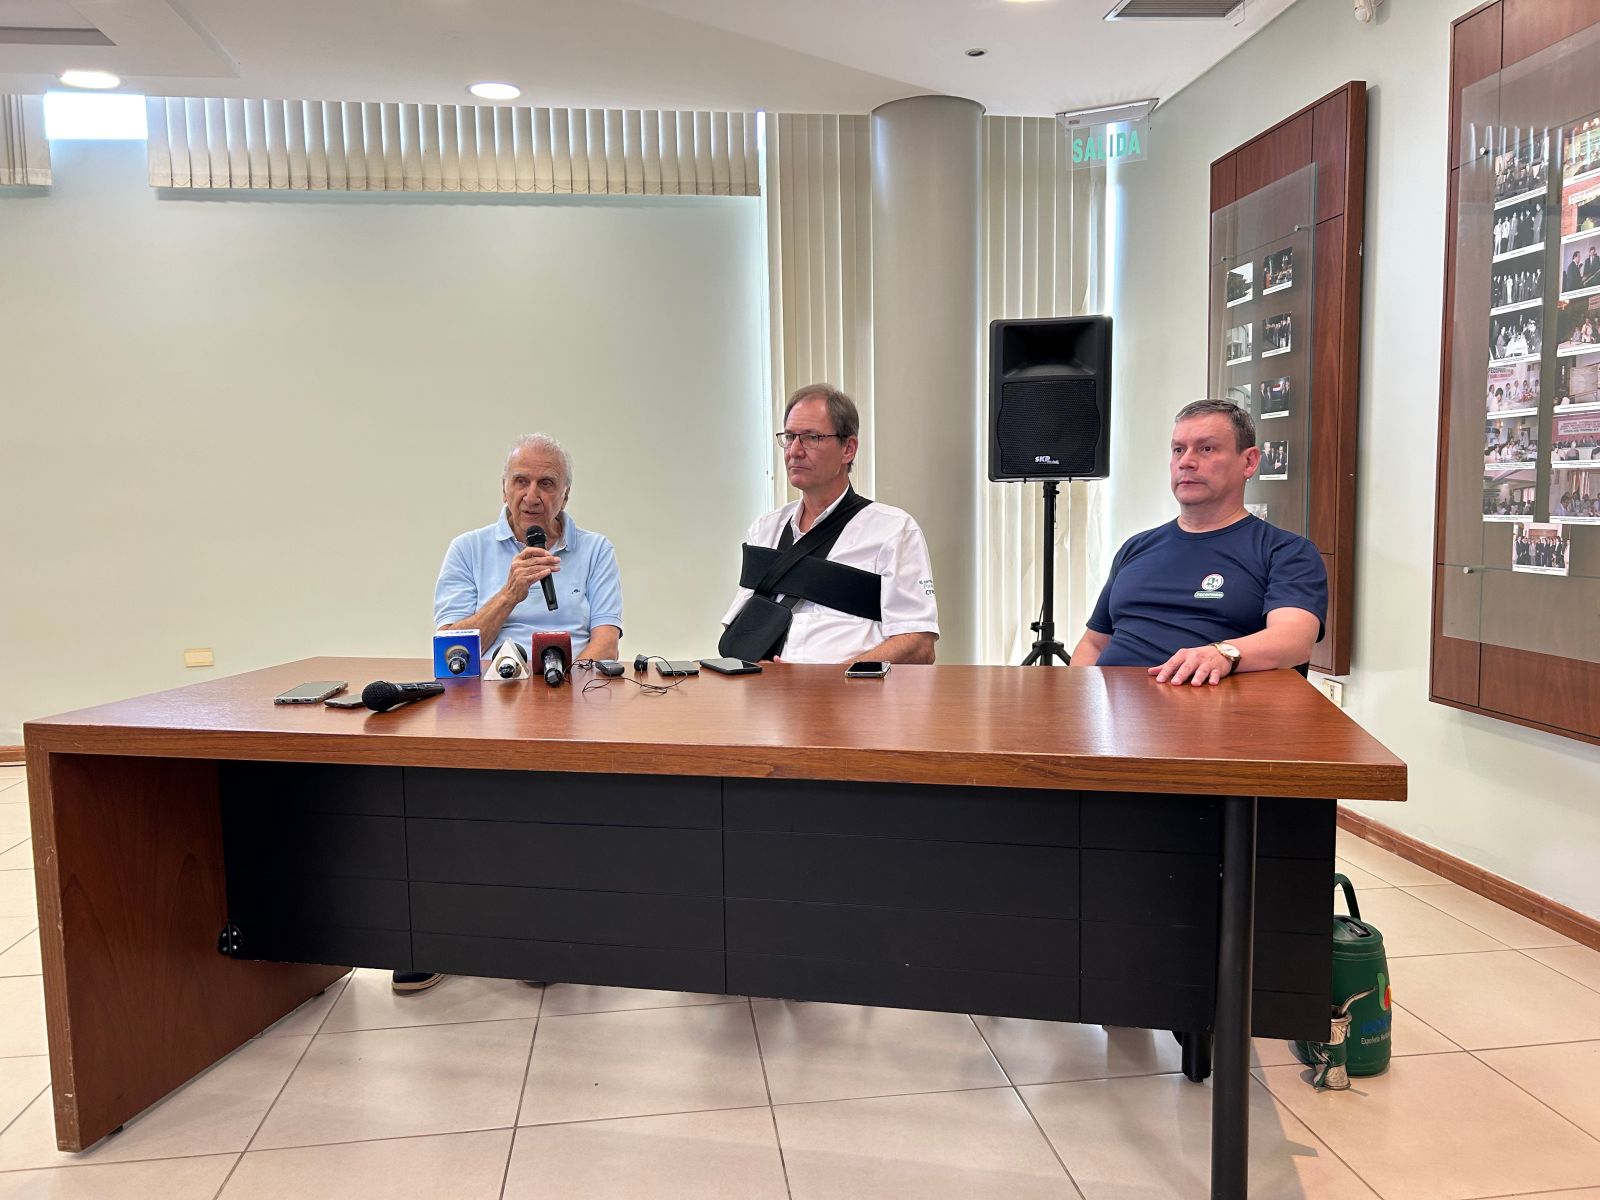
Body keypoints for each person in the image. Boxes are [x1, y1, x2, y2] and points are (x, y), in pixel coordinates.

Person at [395, 432, 623, 996]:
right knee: (437, 799)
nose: (532, 495)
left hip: (568, 699)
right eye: (521, 481)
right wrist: (510, 592)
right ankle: (435, 935)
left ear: (566, 494)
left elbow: (606, 640)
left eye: (547, 483)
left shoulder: (596, 550)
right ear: (503, 488)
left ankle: (541, 931)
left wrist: (563, 693)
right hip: (482, 701)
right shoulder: (467, 550)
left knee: (556, 809)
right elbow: (451, 646)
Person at [1072, 399, 1326, 685]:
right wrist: (1077, 698)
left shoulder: (1286, 552)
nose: (1186, 462)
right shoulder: (1136, 547)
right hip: (1114, 707)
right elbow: (1094, 644)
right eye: (1178, 450)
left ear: (1249, 462)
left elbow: (1293, 640)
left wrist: (1222, 653)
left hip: (1208, 707)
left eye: (1206, 449)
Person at [721, 384, 938, 664]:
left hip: (848, 690)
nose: (794, 451)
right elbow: (738, 632)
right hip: (763, 688)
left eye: (811, 438)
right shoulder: (765, 530)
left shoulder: (893, 531)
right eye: (790, 437)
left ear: (848, 448)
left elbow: (918, 644)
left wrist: (830, 681)